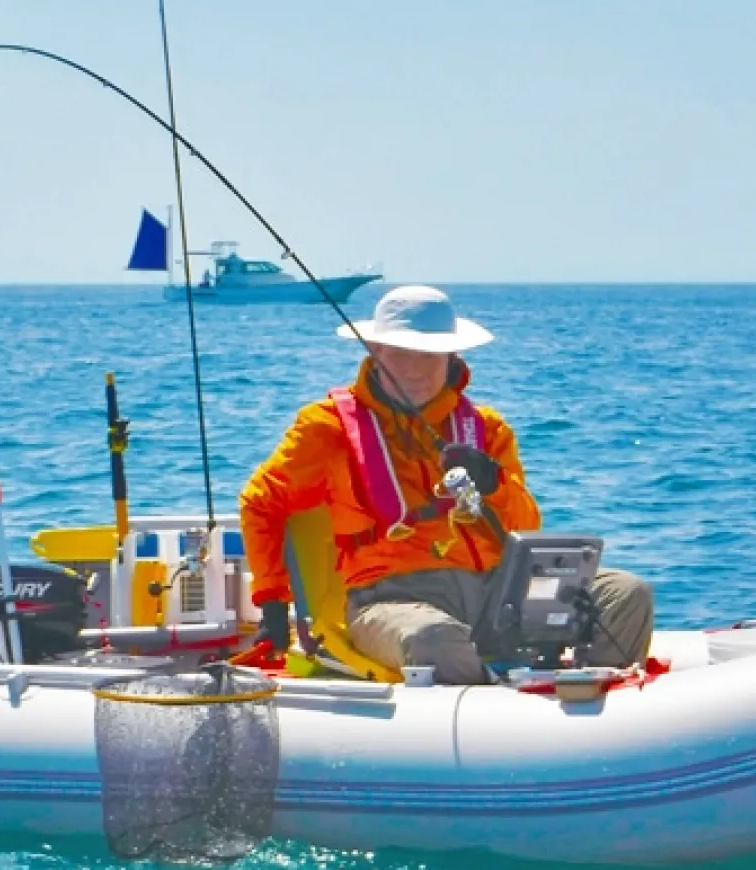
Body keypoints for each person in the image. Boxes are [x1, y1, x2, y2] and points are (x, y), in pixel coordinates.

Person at [239, 285, 654, 684]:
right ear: (375, 351)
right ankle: (503, 717)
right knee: (432, 639)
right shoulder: (324, 427)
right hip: (390, 601)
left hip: (498, 594)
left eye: (430, 356)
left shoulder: (487, 428)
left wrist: (493, 483)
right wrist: (273, 602)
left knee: (626, 594)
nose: (416, 370)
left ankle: (591, 699)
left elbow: (527, 526)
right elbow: (260, 504)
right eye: (401, 354)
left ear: (452, 356)